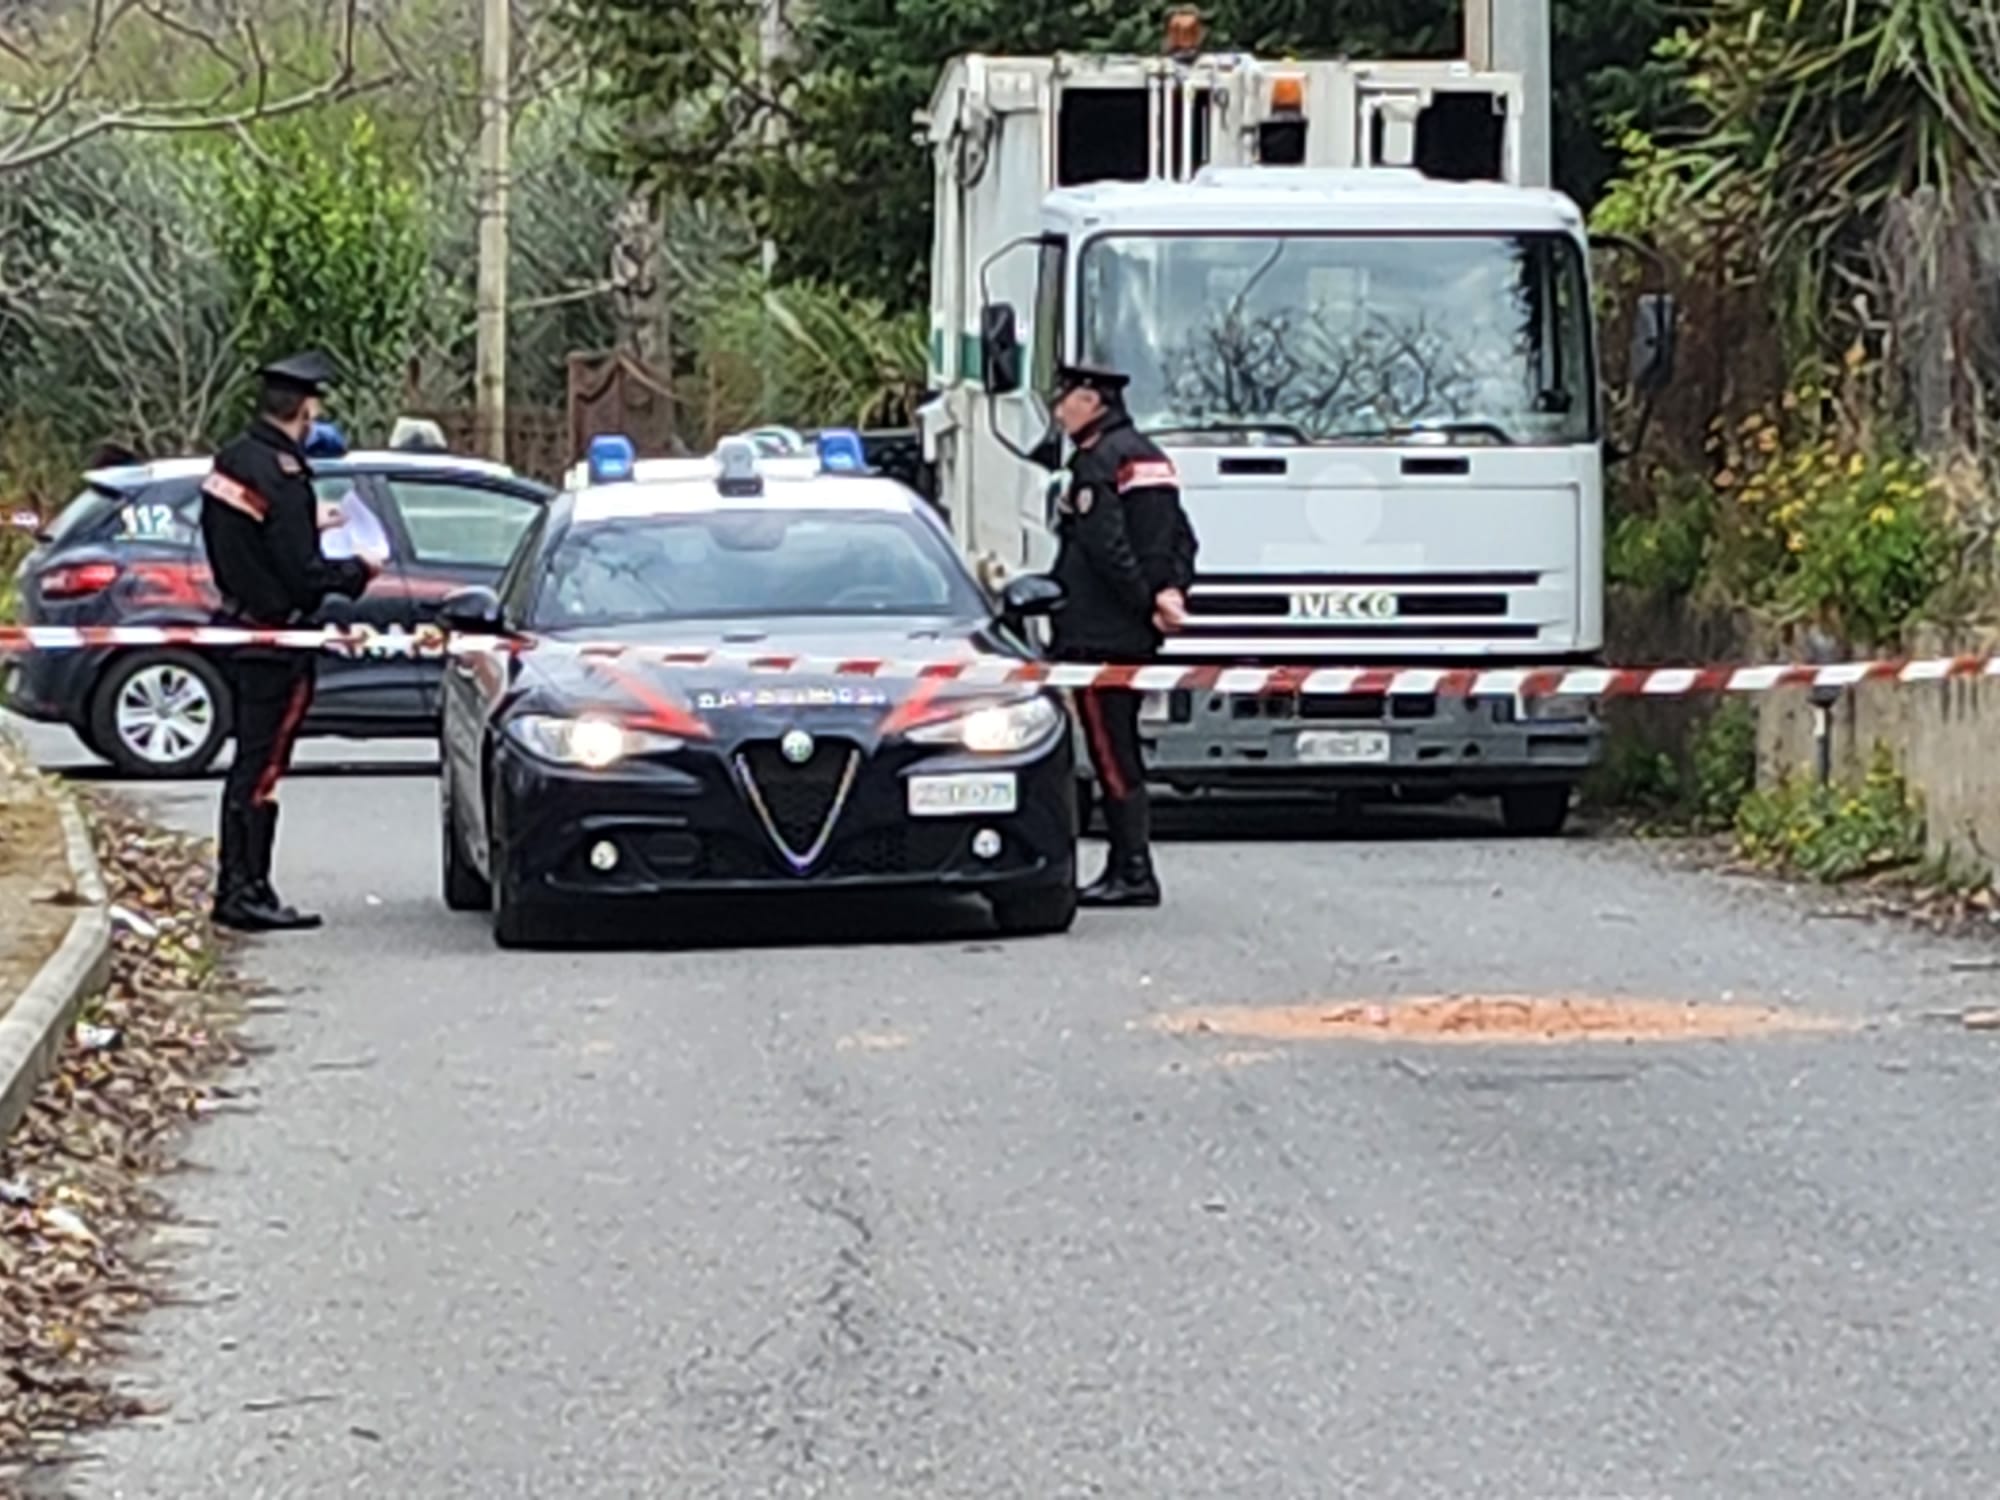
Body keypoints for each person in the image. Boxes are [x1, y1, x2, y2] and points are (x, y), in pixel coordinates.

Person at [199, 352, 381, 932]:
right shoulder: (286, 476)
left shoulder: (233, 459)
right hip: (275, 640)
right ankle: (244, 890)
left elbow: (248, 538)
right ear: (306, 410)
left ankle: (244, 884)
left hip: (239, 624)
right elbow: (302, 573)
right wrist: (356, 571)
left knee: (249, 763)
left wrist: (307, 525)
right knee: (263, 766)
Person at [1043, 361, 1198, 908]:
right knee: (1121, 744)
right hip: (1133, 632)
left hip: (1099, 634)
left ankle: (1132, 869)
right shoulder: (1150, 456)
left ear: (1092, 402)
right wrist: (1172, 590)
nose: (1058, 411)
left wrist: (1145, 601)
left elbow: (1106, 548)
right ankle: (1125, 864)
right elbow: (1183, 538)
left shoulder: (1098, 461)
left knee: (1110, 752)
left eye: (1065, 399)